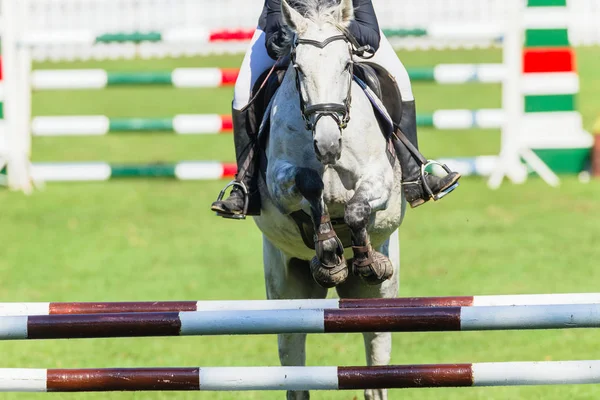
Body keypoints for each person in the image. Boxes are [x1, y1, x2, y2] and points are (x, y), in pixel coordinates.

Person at [211, 0, 461, 218]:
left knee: (402, 79)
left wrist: (332, 27)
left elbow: (370, 36)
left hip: (341, 36)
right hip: (296, 37)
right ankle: (245, 187)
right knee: (242, 89)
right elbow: (273, 40)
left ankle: (415, 174)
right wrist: (302, 31)